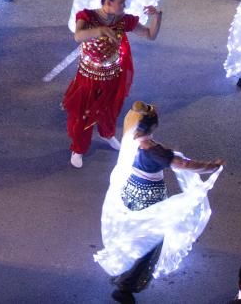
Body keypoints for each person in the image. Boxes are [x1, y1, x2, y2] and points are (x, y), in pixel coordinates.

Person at [95, 102, 223, 303]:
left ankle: (122, 270)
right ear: (153, 126)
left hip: (130, 193)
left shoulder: (130, 140)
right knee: (150, 242)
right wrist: (212, 168)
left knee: (133, 235)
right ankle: (125, 285)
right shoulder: (154, 151)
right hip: (150, 200)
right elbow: (184, 165)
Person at [64, 0, 163, 168]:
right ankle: (78, 148)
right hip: (89, 77)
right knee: (83, 114)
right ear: (108, 2)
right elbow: (78, 36)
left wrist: (157, 17)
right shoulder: (87, 17)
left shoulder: (123, 20)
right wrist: (100, 30)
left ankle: (107, 134)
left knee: (110, 110)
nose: (124, 7)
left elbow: (150, 35)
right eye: (121, 3)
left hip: (113, 76)